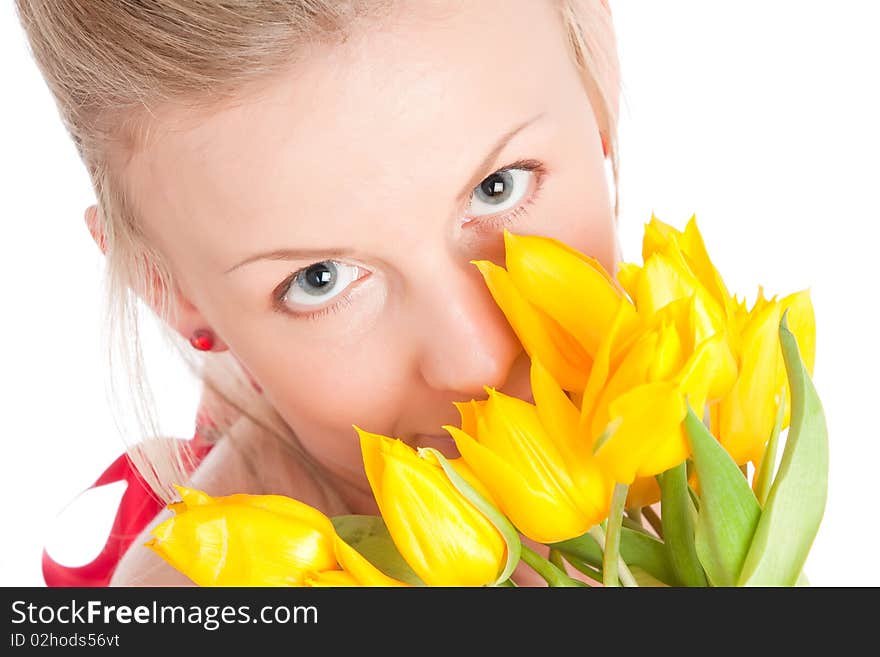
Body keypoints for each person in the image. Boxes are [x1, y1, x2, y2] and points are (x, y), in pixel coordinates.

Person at [16, 0, 621, 586]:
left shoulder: (707, 407)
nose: (476, 359)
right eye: (319, 279)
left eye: (499, 186)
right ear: (167, 287)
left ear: (596, 68)